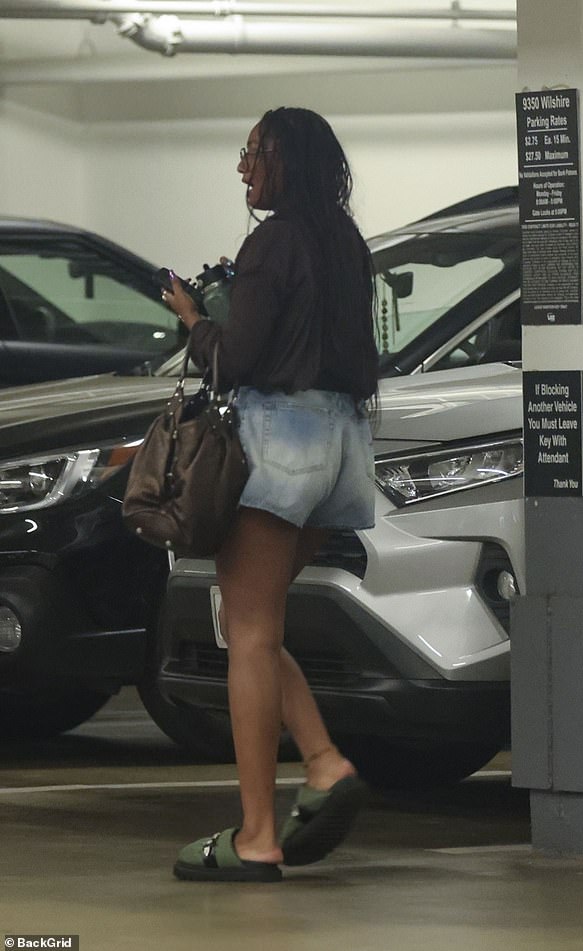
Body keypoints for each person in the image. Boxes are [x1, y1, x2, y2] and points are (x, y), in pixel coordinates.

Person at [162, 106, 379, 883]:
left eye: (253, 152)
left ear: (283, 157)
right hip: (343, 447)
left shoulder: (272, 242)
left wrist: (194, 318)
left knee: (246, 633)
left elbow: (240, 356)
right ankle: (323, 764)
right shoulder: (345, 243)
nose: (244, 167)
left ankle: (256, 834)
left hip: (280, 444)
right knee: (255, 622)